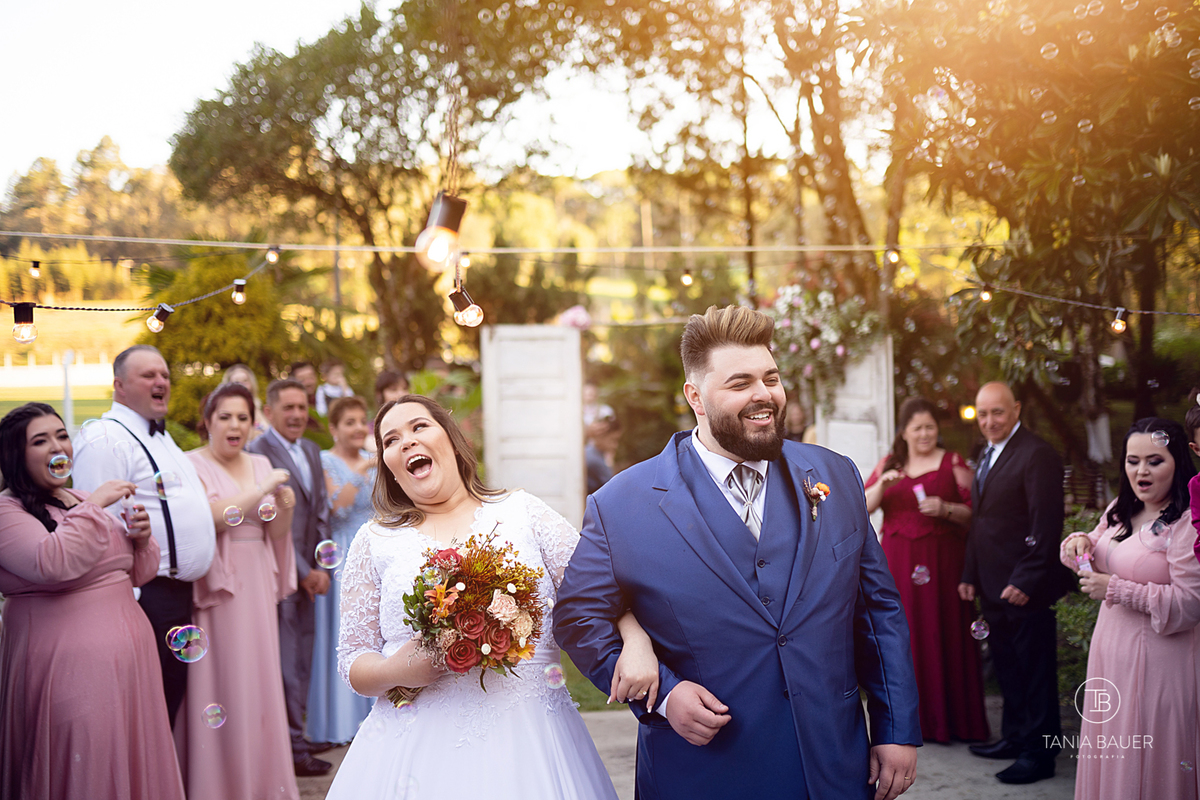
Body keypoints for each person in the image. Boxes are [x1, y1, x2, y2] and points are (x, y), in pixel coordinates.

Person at [555, 305, 921, 800]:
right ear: (695, 397)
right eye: (740, 383)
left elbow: (877, 611)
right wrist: (663, 694)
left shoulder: (835, 475)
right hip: (704, 769)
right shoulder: (622, 504)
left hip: (833, 760)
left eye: (771, 377)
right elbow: (579, 617)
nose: (763, 395)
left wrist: (896, 728)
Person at [324, 395, 659, 799]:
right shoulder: (374, 541)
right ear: (390, 468)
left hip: (530, 743)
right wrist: (397, 670)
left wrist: (636, 640)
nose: (407, 442)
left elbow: (598, 589)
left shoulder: (523, 512)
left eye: (418, 427)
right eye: (391, 440)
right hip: (412, 748)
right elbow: (352, 659)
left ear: (450, 439)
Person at [0, 402, 186, 800]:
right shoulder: (7, 511)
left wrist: (140, 537)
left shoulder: (80, 499)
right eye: (41, 440)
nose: (58, 446)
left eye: (61, 435)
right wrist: (94, 506)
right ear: (16, 454)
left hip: (131, 664)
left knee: (130, 759)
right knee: (87, 761)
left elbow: (138, 573)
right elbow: (52, 562)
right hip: (66, 668)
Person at [72, 344, 217, 727]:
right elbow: (95, 522)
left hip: (175, 598)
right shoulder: (106, 438)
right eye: (148, 375)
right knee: (146, 712)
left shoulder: (158, 436)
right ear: (119, 385)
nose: (161, 382)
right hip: (145, 599)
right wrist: (130, 601)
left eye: (165, 375)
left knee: (166, 705)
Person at [1061, 418, 1200, 800]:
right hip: (1111, 656)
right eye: (1132, 460)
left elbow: (1191, 605)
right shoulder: (1122, 509)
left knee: (1151, 762)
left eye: (1155, 461)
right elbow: (1095, 545)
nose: (1141, 471)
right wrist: (1077, 542)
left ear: (1179, 462)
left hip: (1161, 663)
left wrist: (1117, 589)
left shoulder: (1187, 522)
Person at [180, 383, 300, 799]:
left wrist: (284, 508)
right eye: (225, 416)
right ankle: (217, 785)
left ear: (253, 423)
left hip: (255, 580)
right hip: (217, 587)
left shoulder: (260, 462)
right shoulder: (190, 464)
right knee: (222, 680)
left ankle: (262, 783)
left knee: (258, 679)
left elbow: (276, 532)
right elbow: (214, 518)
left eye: (243, 417)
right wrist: (264, 490)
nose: (235, 425)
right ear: (207, 421)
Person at [958, 381, 1073, 784]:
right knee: (1007, 667)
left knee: (1034, 671)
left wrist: (1026, 578)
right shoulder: (986, 455)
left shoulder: (1037, 454)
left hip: (1025, 586)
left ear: (1017, 409)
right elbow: (981, 521)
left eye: (998, 412)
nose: (989, 421)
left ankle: (1038, 755)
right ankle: (1013, 737)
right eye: (982, 414)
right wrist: (970, 574)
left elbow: (1047, 523)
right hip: (991, 584)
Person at [864, 398, 989, 745]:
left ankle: (950, 721)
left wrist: (946, 508)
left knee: (943, 631)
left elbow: (975, 512)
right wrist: (883, 486)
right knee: (904, 636)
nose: (924, 434)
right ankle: (908, 722)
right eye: (917, 428)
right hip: (899, 563)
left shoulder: (952, 462)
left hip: (943, 562)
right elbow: (863, 505)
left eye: (930, 427)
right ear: (904, 432)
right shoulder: (891, 463)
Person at [247, 378, 334, 776]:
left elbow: (319, 513)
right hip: (278, 573)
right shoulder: (257, 454)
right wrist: (301, 572)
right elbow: (272, 525)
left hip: (312, 573)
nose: (298, 415)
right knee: (284, 660)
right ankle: (291, 746)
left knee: (305, 656)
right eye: (289, 408)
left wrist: (321, 567)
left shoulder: (313, 451)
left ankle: (299, 730)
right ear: (269, 413)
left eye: (302, 407)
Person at [307, 396, 375, 744]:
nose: (357, 428)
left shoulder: (374, 460)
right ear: (333, 428)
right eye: (348, 422)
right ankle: (341, 723)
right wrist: (362, 470)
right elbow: (338, 509)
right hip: (341, 554)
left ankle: (375, 718)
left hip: (373, 549)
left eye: (361, 421)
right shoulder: (324, 461)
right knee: (344, 634)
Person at [221, 363, 267, 440]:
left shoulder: (258, 407)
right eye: (237, 382)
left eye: (245, 381)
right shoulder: (225, 410)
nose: (242, 385)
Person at [585, 417, 621, 495]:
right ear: (601, 436)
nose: (615, 446)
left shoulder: (590, 451)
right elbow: (614, 487)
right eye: (613, 440)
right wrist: (610, 459)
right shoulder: (594, 460)